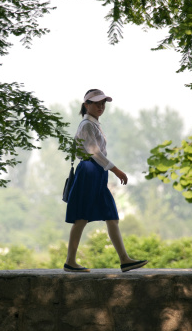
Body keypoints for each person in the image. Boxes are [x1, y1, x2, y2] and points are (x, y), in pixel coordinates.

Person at [63, 89, 148, 273]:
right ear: (86, 105)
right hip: (89, 170)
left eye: (103, 103)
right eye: (96, 103)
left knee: (111, 215)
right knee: (81, 217)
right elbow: (94, 152)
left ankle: (125, 259)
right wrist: (116, 169)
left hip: (97, 172)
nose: (101, 106)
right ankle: (70, 261)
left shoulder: (93, 124)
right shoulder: (86, 124)